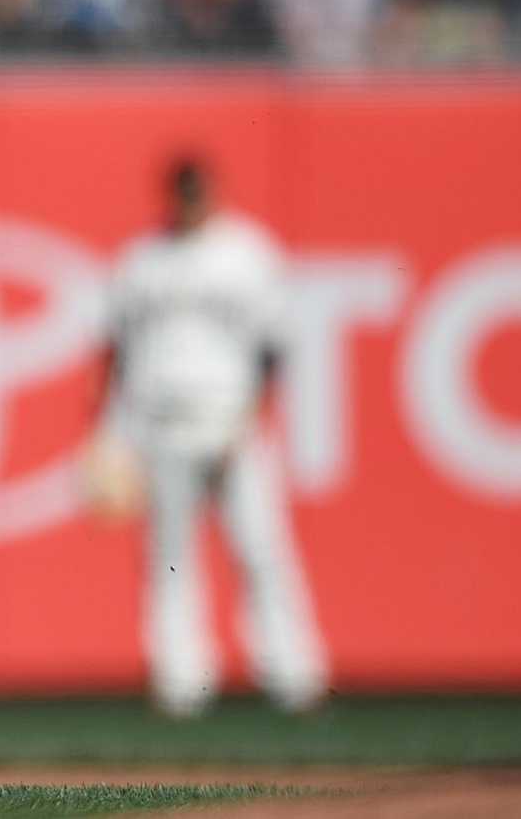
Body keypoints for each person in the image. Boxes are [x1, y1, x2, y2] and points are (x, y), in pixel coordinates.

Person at [88, 156, 326, 716]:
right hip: (160, 423)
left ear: (213, 192)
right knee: (171, 558)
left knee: (261, 547)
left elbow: (274, 350)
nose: (192, 202)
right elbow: (115, 353)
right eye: (184, 193)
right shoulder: (143, 261)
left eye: (199, 192)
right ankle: (180, 682)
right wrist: (106, 433)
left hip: (230, 421)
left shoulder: (247, 252)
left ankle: (294, 675)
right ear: (172, 194)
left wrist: (249, 420)